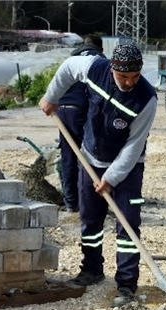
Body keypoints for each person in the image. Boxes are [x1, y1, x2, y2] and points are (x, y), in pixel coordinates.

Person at [39, 44, 157, 308]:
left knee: (127, 223)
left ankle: (126, 284)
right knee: (90, 219)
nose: (130, 82)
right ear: (113, 68)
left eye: (135, 76)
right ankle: (91, 270)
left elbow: (134, 145)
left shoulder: (146, 99)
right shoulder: (94, 67)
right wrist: (51, 96)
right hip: (90, 157)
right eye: (124, 77)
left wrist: (112, 177)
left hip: (127, 167)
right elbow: (68, 68)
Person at [57, 35, 106, 212]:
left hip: (62, 108)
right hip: (82, 110)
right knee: (88, 155)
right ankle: (88, 201)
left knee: (68, 156)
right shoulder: (99, 62)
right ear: (100, 48)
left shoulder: (72, 59)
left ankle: (71, 203)